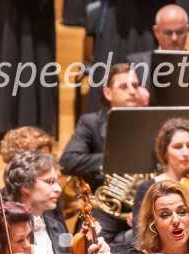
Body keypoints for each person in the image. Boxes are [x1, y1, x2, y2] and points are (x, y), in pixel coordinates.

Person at [60, 63, 149, 242]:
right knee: (95, 245)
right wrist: (112, 160)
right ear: (108, 93)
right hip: (106, 208)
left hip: (143, 203)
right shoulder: (90, 123)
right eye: (124, 86)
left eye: (136, 85)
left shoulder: (150, 123)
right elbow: (68, 161)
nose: (132, 91)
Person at [0, 1, 57, 145]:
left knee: (34, 56)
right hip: (3, 10)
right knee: (5, 55)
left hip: (37, 13)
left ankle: (34, 131)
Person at [131, 118, 189, 227]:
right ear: (165, 151)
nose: (185, 152)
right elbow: (139, 236)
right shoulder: (146, 188)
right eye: (178, 147)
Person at [126, 4, 189, 87]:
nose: (174, 38)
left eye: (180, 32)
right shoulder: (137, 63)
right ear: (156, 31)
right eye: (167, 32)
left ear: (187, 30)